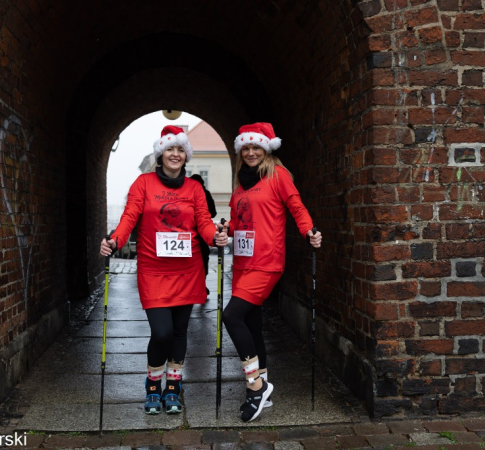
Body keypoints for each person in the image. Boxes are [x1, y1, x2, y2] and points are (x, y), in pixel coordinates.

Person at [101, 125, 228, 415]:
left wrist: (215, 237)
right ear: (161, 153)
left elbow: (204, 223)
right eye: (170, 149)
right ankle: (152, 385)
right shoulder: (143, 184)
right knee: (162, 333)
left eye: (180, 149)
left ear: (186, 156)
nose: (175, 154)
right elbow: (129, 217)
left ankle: (173, 387)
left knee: (180, 331)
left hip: (188, 270)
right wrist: (114, 239)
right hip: (153, 271)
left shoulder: (195, 188)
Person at [222, 122, 322, 422]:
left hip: (266, 261)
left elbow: (296, 206)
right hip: (241, 262)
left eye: (256, 147)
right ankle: (262, 387)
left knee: (232, 316)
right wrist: (225, 231)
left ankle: (255, 386)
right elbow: (238, 223)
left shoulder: (277, 175)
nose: (251, 152)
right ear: (241, 151)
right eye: (246, 148)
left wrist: (309, 231)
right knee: (251, 324)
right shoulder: (241, 184)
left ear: (266, 149)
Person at [189, 174, 217, 296]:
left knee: (188, 259)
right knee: (203, 259)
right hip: (201, 234)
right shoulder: (206, 193)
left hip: (188, 232)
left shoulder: (187, 192)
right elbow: (213, 212)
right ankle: (201, 285)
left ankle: (191, 286)